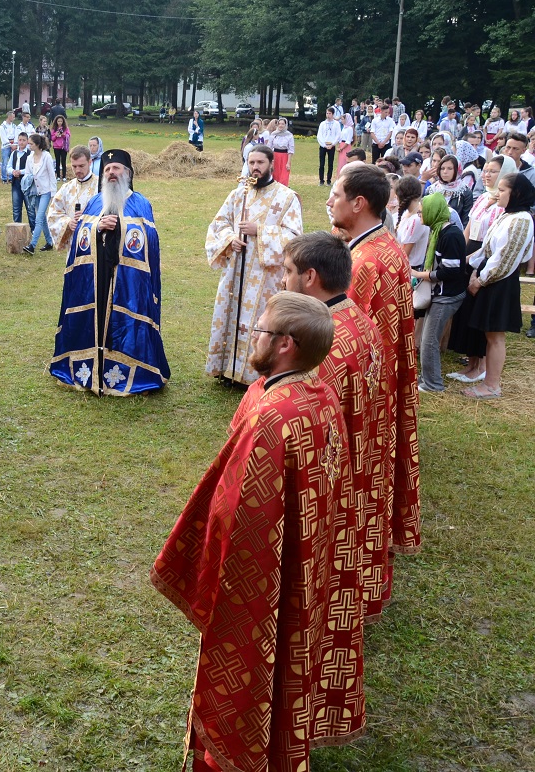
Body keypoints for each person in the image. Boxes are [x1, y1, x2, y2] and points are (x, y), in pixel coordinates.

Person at [152, 291, 358, 772]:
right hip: (304, 564)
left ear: (285, 344)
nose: (252, 335)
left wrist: (207, 572)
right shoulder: (321, 394)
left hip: (264, 578)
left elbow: (235, 515)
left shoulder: (272, 417)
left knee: (250, 664)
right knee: (287, 656)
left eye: (260, 330)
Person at [282, 231, 389, 621]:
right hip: (359, 464)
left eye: (288, 271)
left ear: (310, 277)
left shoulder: (321, 344)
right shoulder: (359, 319)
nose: (283, 280)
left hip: (327, 481)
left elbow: (303, 423)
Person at [328, 165, 422, 571]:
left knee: (358, 476)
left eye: (336, 195)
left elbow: (347, 337)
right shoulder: (385, 244)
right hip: (387, 382)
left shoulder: (365, 262)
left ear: (358, 203)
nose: (329, 202)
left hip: (365, 392)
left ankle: (354, 554)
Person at [48, 149, 170, 395]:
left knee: (123, 323)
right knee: (95, 319)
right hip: (97, 278)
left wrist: (122, 228)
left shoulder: (140, 203)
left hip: (128, 281)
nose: (111, 173)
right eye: (107, 169)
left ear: (127, 173)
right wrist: (97, 226)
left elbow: (150, 241)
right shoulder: (95, 202)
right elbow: (81, 236)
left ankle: (129, 373)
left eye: (116, 168)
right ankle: (90, 369)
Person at [204, 145, 304, 385]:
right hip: (235, 272)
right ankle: (227, 369)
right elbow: (218, 224)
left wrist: (259, 230)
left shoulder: (286, 197)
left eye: (260, 163)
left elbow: (294, 237)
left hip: (265, 277)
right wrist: (230, 239)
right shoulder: (238, 195)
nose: (255, 168)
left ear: (271, 164)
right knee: (231, 315)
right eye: (251, 163)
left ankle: (252, 374)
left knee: (261, 322)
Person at [462, 173, 534, 396]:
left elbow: (506, 258)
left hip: (500, 282)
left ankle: (492, 385)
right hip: (491, 278)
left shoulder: (522, 219)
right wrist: (471, 265)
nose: (497, 194)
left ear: (516, 193)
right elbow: (487, 249)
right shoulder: (507, 215)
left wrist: (480, 280)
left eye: (502, 190)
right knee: (489, 334)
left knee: (495, 335)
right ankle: (488, 382)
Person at [449, 156, 516, 380]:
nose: (486, 175)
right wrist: (460, 253)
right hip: (471, 254)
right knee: (467, 310)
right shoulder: (483, 198)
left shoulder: (506, 207)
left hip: (485, 257)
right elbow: (469, 228)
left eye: (493, 171)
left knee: (480, 313)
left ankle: (482, 366)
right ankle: (472, 362)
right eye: (485, 170)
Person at [410, 193, 468, 393]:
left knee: (429, 341)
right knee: (427, 339)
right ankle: (427, 377)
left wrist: (420, 274)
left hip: (447, 296)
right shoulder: (438, 231)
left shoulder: (450, 236)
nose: (419, 215)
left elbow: (451, 271)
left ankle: (433, 384)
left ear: (432, 212)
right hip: (439, 294)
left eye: (421, 212)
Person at [46, 145, 99, 250]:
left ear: (90, 162)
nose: (77, 170)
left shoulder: (101, 186)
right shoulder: (66, 188)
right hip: (73, 245)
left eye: (81, 166)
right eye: (74, 166)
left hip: (96, 244)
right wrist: (68, 223)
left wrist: (88, 216)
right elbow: (53, 214)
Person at [22, 134, 57, 254]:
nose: (29, 146)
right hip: (35, 192)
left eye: (31, 144)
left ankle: (32, 245)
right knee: (42, 218)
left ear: (37, 144)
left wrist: (53, 193)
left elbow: (52, 175)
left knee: (39, 218)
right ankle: (49, 242)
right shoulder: (29, 158)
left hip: (46, 191)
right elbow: (27, 175)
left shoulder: (46, 156)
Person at [4, 133, 33, 227]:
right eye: (20, 140)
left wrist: (20, 172)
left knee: (30, 208)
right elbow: (8, 166)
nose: (21, 142)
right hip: (16, 182)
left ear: (27, 141)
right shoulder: (14, 153)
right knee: (16, 208)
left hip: (27, 184)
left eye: (24, 140)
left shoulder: (30, 154)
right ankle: (17, 229)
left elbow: (31, 168)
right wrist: (13, 171)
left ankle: (33, 229)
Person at [265, 118, 295, 185]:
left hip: (285, 156)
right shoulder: (274, 134)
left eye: (282, 124)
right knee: (275, 174)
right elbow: (269, 147)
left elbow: (291, 149)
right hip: (275, 156)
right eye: (279, 124)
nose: (281, 125)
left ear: (285, 125)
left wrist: (288, 162)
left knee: (284, 176)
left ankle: (283, 188)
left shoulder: (289, 135)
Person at [317, 107, 341, 185]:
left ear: (333, 114)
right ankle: (321, 180)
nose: (328, 115)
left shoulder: (336, 124)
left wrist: (333, 144)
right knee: (321, 164)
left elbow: (338, 135)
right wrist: (323, 145)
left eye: (329, 113)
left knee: (330, 164)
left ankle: (329, 180)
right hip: (323, 145)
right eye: (327, 113)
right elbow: (319, 135)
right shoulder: (322, 124)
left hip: (331, 145)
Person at [0, 111, 18, 183]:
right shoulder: (2, 126)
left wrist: (15, 144)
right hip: (6, 146)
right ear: (9, 117)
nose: (14, 118)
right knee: (5, 162)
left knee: (12, 161)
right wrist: (10, 145)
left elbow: (16, 135)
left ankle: (11, 177)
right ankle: (4, 178)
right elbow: (3, 137)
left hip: (13, 144)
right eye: (13, 117)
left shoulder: (14, 126)